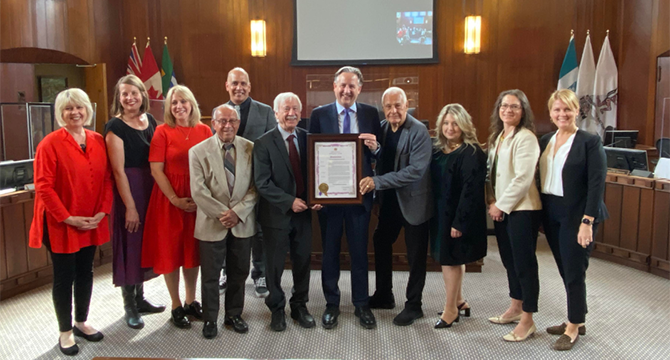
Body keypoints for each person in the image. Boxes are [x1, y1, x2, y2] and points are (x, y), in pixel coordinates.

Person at [29, 88, 112, 356]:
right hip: (61, 224)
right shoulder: (49, 144)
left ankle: (81, 322)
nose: (75, 112)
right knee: (64, 278)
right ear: (60, 114)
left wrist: (102, 212)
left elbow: (107, 180)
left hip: (91, 220)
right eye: (68, 109)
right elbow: (43, 187)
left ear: (87, 110)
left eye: (79, 107)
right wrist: (67, 217)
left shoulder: (98, 140)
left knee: (86, 272)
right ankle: (65, 332)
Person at [309, 66, 382, 329]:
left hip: (359, 197)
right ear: (334, 87)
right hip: (329, 198)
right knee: (329, 253)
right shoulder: (319, 115)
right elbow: (312, 156)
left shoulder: (371, 114)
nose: (347, 90)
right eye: (342, 85)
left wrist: (376, 148)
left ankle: (361, 304)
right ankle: (332, 304)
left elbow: (379, 155)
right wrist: (313, 193)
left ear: (360, 89)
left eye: (352, 86)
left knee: (359, 253)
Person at [539, 89, 608, 351]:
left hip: (579, 214)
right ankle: (577, 318)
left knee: (574, 270)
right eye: (557, 110)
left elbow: (596, 184)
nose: (562, 114)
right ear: (551, 113)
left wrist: (587, 221)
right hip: (552, 211)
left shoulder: (589, 142)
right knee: (565, 269)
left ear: (576, 110)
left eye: (567, 109)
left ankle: (572, 326)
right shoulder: (546, 139)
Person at [141, 85, 211, 329]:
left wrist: (204, 199)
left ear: (191, 103)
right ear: (168, 108)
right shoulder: (162, 132)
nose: (179, 106)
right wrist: (174, 198)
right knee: (170, 252)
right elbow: (155, 169)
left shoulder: (204, 129)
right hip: (169, 200)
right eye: (174, 103)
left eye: (183, 101)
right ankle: (175, 304)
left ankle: (192, 301)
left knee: (192, 252)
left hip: (198, 199)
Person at [363, 87, 433, 326]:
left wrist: (377, 182)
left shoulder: (419, 130)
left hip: (415, 203)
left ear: (407, 104)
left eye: (398, 106)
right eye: (389, 106)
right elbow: (384, 161)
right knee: (381, 241)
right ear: (383, 108)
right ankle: (384, 294)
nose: (393, 111)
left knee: (415, 256)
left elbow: (414, 171)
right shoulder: (382, 127)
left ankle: (414, 305)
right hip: (390, 202)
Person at [254, 92, 322, 332]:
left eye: (295, 109)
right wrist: (289, 201)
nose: (291, 113)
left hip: (304, 214)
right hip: (275, 216)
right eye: (286, 109)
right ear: (276, 113)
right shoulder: (263, 143)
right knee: (274, 266)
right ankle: (276, 308)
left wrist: (318, 197)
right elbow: (262, 183)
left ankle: (300, 306)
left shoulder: (309, 139)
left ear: (301, 113)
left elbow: (318, 173)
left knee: (303, 262)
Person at [189, 104, 258, 338]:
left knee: (239, 272)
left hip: (242, 222)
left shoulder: (251, 148)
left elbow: (255, 187)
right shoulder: (197, 151)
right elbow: (198, 191)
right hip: (211, 223)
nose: (227, 125)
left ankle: (233, 315)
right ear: (213, 123)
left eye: (232, 121)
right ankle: (210, 319)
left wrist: (237, 212)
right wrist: (223, 213)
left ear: (238, 124)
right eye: (222, 121)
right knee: (210, 275)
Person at [105, 75, 165, 330]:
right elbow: (118, 171)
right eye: (124, 94)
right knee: (130, 243)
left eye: (134, 93)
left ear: (143, 95)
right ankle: (129, 304)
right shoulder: (114, 127)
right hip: (129, 191)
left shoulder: (149, 120)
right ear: (118, 98)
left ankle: (140, 299)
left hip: (150, 189)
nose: (129, 98)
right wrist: (129, 206)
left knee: (143, 244)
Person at [485, 89, 542, 342]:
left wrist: (501, 205)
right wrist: (493, 201)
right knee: (509, 260)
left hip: (523, 210)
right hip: (504, 209)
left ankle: (528, 319)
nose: (508, 110)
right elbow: (493, 173)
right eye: (504, 106)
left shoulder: (526, 137)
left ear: (523, 111)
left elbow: (523, 178)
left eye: (515, 107)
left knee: (524, 264)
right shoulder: (499, 136)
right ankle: (516, 306)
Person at [219, 67, 276, 297]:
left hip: (257, 183)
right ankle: (226, 271)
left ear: (249, 87)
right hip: (227, 184)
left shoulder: (265, 111)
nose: (239, 87)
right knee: (226, 228)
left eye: (243, 83)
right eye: (234, 83)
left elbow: (273, 147)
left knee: (259, 231)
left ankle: (259, 273)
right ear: (227, 85)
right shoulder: (219, 112)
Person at [430, 104, 487, 329]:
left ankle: (450, 310)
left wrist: (459, 222)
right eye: (446, 123)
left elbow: (471, 191)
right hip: (440, 214)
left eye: (454, 123)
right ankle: (460, 300)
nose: (450, 127)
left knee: (450, 260)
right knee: (453, 258)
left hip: (458, 216)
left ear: (464, 125)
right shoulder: (438, 149)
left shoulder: (472, 152)